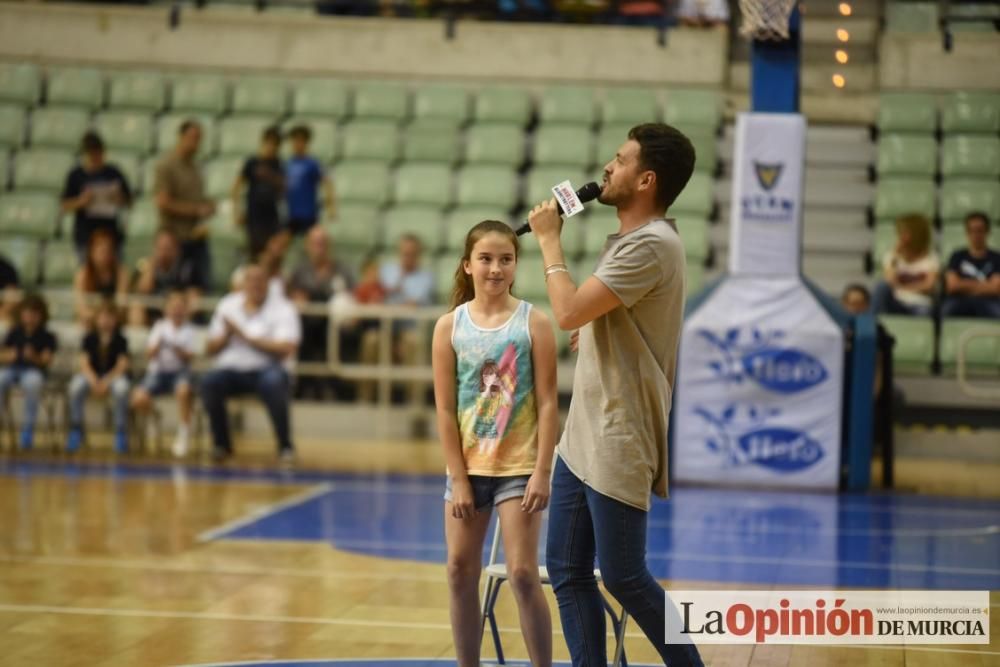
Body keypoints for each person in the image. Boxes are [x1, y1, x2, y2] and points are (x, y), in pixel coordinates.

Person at [526, 123, 703, 665]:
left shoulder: (652, 244)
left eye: (620, 160)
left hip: (620, 431)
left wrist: (550, 243)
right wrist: (595, 327)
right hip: (587, 430)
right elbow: (594, 313)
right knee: (566, 568)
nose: (607, 167)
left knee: (625, 576)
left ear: (646, 179)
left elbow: (567, 310)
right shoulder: (633, 241)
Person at [431, 220, 557, 667]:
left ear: (516, 265)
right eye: (485, 258)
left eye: (505, 259)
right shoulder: (449, 327)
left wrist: (542, 471)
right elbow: (445, 410)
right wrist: (458, 479)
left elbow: (546, 404)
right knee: (459, 572)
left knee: (523, 574)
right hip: (467, 471)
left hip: (518, 471)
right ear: (467, 266)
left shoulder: (534, 323)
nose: (495, 268)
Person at [200, 264, 301, 462]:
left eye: (260, 280)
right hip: (232, 370)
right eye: (251, 280)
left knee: (274, 383)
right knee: (210, 382)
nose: (256, 285)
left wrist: (246, 338)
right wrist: (228, 335)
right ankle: (221, 445)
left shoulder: (283, 308)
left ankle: (285, 445)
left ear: (268, 283)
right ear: (243, 283)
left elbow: (286, 348)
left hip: (267, 369)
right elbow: (210, 349)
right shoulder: (227, 305)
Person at [359, 234, 435, 402]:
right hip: (384, 328)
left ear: (418, 255)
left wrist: (390, 302)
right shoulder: (386, 271)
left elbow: (412, 307)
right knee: (370, 340)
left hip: (409, 329)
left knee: (414, 342)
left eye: (411, 254)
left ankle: (415, 404)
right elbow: (375, 296)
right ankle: (365, 400)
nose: (407, 258)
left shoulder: (426, 278)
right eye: (404, 253)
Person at [288, 225, 353, 399]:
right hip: (306, 325)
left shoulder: (341, 270)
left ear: (329, 246)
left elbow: (350, 296)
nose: (319, 248)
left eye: (323, 243)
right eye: (315, 243)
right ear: (308, 246)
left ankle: (336, 389)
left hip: (334, 326)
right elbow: (290, 295)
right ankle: (302, 387)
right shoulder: (299, 270)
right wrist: (296, 297)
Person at [130, 290, 197, 458]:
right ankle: (154, 417)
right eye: (173, 307)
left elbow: (190, 358)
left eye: (180, 307)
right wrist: (158, 344)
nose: (176, 311)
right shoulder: (159, 327)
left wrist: (177, 349)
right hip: (157, 372)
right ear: (166, 310)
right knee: (138, 398)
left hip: (179, 372)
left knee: (184, 391)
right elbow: (150, 354)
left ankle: (183, 433)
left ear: (186, 310)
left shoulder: (190, 330)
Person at [154, 120, 215, 293]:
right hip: (175, 238)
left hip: (196, 237)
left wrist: (209, 205)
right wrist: (196, 210)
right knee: (175, 289)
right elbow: (162, 202)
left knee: (201, 286)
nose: (196, 143)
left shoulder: (196, 167)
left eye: (199, 139)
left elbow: (197, 198)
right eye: (192, 137)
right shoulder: (167, 165)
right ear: (180, 137)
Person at [67, 301, 131, 454]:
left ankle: (120, 431)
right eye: (102, 317)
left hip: (113, 377)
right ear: (96, 319)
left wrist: (106, 381)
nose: (106, 321)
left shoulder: (121, 339)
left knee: (122, 389)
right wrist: (94, 380)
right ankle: (76, 429)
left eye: (110, 317)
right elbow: (84, 363)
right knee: (75, 387)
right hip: (92, 376)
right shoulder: (89, 338)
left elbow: (122, 365)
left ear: (116, 320)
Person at [60, 131, 132, 261]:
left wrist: (118, 199)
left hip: (111, 234)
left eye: (98, 154)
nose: (96, 159)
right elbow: (65, 205)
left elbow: (129, 201)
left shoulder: (113, 173)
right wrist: (81, 202)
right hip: (85, 236)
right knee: (87, 273)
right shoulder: (76, 175)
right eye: (92, 155)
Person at [0, 294, 57, 450]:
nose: (30, 317)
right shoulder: (15, 332)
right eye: (27, 313)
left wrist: (34, 357)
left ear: (41, 315)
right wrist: (10, 355)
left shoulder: (47, 336)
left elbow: (46, 360)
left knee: (33, 383)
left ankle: (28, 428)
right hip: (13, 369)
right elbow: (3, 354)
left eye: (34, 314)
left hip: (34, 371)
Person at [232, 125, 286, 260]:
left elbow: (283, 192)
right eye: (270, 142)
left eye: (275, 144)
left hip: (272, 216)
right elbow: (236, 187)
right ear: (263, 142)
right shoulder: (252, 162)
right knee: (255, 254)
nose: (272, 147)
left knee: (274, 253)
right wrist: (237, 212)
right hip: (254, 216)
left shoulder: (279, 165)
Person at [130, 229, 204, 326]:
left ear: (177, 249)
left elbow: (195, 296)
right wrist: (151, 266)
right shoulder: (146, 266)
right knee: (136, 306)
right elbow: (142, 292)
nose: (164, 252)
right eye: (160, 247)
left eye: (168, 247)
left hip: (178, 315)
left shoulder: (187, 268)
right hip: (153, 314)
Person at [872, 214, 940, 317]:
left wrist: (903, 288)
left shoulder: (931, 258)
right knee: (881, 286)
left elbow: (929, 286)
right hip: (895, 302)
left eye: (905, 232)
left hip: (919, 304)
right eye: (900, 232)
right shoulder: (892, 256)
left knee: (924, 312)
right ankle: (874, 328)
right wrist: (895, 255)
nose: (901, 236)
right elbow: (889, 281)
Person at [941, 212, 1000, 319]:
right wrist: (984, 285)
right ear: (967, 233)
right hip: (959, 300)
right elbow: (952, 286)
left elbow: (995, 288)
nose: (976, 235)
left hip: (988, 301)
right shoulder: (957, 256)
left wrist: (964, 285)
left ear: (987, 232)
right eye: (971, 231)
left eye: (979, 231)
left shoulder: (996, 257)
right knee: (944, 311)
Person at [286, 125, 336, 236]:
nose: (298, 144)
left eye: (301, 141)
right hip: (291, 213)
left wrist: (331, 207)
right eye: (295, 141)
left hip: (309, 214)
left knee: (311, 245)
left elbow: (327, 183)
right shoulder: (287, 164)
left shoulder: (313, 163)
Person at [74, 229, 130, 326]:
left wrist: (107, 316)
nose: (104, 255)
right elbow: (80, 307)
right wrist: (98, 316)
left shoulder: (121, 273)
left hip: (114, 320)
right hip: (92, 319)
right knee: (82, 322)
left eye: (108, 250)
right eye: (100, 250)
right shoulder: (82, 274)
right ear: (91, 252)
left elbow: (122, 305)